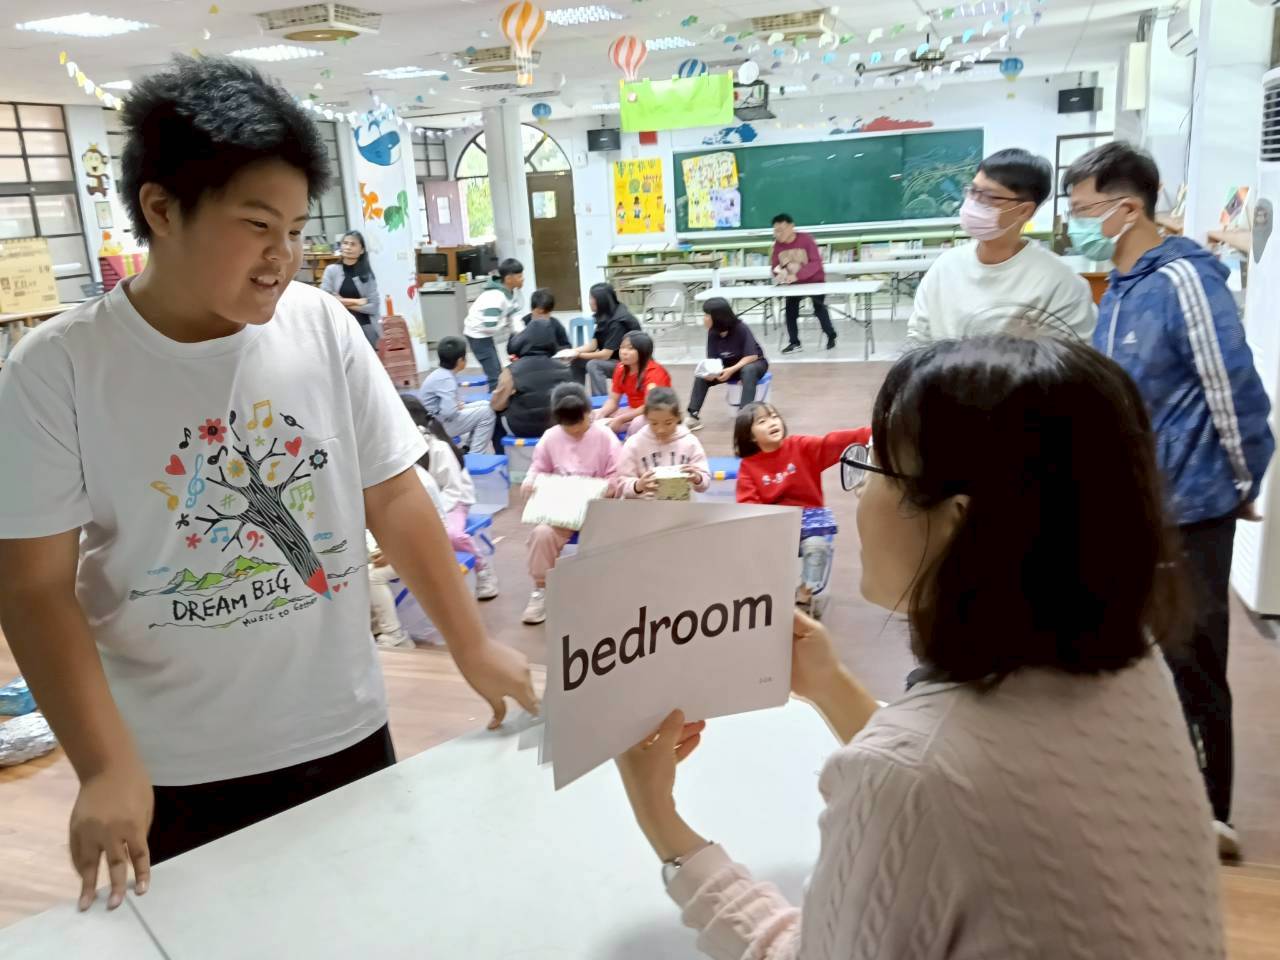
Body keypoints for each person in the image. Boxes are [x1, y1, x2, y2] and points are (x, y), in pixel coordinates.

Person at [0, 56, 537, 909]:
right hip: (170, 763)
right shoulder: (56, 370)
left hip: (344, 728)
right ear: (161, 209)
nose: (281, 257)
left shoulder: (318, 324)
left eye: (293, 229)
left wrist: (471, 644)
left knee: (371, 922)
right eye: (256, 225)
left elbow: (393, 492)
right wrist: (102, 765)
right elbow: (32, 588)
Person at [615, 335, 1224, 958]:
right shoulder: (1131, 659)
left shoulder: (907, 777)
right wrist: (830, 684)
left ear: (958, 520)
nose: (859, 492)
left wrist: (660, 819)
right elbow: (964, 791)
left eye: (874, 468)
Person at [1065, 141, 1275, 859]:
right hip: (1129, 503)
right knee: (1129, 654)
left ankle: (1210, 814)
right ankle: (1145, 795)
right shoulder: (1121, 286)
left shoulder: (1183, 279)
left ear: (1127, 208)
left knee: (1192, 656)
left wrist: (1242, 482)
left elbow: (1233, 389)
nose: (1076, 221)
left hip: (1190, 505)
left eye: (1084, 209)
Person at [908, 148, 1097, 345]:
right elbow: (918, 338)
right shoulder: (945, 266)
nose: (974, 202)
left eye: (989, 197)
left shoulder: (1059, 283)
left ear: (1024, 211)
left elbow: (1066, 359)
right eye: (973, 191)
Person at [734, 403, 870, 614]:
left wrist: (869, 433)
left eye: (774, 416)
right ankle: (769, 597)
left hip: (810, 523)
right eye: (762, 421)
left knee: (817, 547)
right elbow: (748, 505)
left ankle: (805, 596)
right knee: (753, 553)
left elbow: (832, 443)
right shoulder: (748, 466)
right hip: (774, 527)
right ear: (750, 436)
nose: (772, 422)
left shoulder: (801, 447)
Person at [521, 383, 622, 625]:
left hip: (597, 507)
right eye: (568, 427)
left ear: (588, 413)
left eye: (580, 424)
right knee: (542, 534)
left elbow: (618, 476)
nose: (575, 431)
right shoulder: (550, 437)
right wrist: (530, 481)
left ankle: (606, 589)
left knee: (613, 534)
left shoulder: (605, 437)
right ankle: (541, 589)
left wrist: (601, 489)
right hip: (562, 508)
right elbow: (538, 468)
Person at [400, 395, 500, 602]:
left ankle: (483, 569)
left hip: (454, 501)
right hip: (425, 503)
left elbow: (453, 490)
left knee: (450, 534)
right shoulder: (401, 450)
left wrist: (434, 513)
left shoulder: (438, 448)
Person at [685, 298, 768, 432]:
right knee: (701, 377)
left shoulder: (741, 328)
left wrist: (732, 370)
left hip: (753, 364)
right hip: (728, 368)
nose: (704, 318)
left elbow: (752, 356)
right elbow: (713, 361)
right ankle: (693, 416)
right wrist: (711, 373)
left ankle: (744, 417)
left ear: (717, 317)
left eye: (707, 315)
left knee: (748, 371)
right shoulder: (712, 333)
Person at [616, 387, 710, 500]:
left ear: (678, 417)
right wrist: (638, 486)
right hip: (644, 506)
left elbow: (705, 481)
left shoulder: (690, 442)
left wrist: (697, 478)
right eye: (654, 423)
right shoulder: (634, 444)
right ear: (646, 418)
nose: (661, 429)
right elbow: (622, 484)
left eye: (668, 423)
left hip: (681, 506)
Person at [491, 316, 574, 438]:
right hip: (556, 426)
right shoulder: (564, 369)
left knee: (494, 415)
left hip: (521, 428)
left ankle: (499, 449)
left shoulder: (511, 371)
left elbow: (497, 405)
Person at [418, 335, 497, 455]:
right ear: (460, 361)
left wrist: (454, 406)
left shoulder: (440, 374)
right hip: (437, 426)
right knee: (488, 412)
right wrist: (454, 406)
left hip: (435, 420)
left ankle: (467, 449)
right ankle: (476, 455)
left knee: (485, 404)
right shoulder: (446, 379)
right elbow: (449, 412)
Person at [771, 213, 836, 354]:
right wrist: (779, 274)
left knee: (819, 308)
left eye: (781, 230)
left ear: (792, 227)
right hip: (794, 285)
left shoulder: (806, 239)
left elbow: (816, 263)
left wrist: (797, 276)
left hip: (815, 281)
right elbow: (775, 266)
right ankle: (794, 343)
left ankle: (831, 335)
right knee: (790, 311)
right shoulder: (777, 245)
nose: (779, 234)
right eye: (776, 231)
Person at [594, 331, 671, 437]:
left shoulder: (655, 373)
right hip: (633, 410)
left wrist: (621, 419)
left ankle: (629, 444)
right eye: (622, 347)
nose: (624, 352)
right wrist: (601, 413)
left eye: (630, 348)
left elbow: (649, 406)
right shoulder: (621, 368)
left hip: (655, 413)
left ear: (643, 351)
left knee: (637, 423)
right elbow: (613, 400)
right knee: (592, 415)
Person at [464, 257, 525, 389]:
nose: (523, 279)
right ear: (509, 279)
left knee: (497, 368)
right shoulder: (496, 297)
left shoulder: (510, 293)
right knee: (494, 374)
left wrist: (522, 334)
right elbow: (489, 326)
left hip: (485, 334)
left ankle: (499, 393)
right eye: (519, 276)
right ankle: (496, 397)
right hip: (477, 335)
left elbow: (514, 315)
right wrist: (505, 323)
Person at [570, 282, 640, 395]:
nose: (589, 302)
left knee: (594, 365)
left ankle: (600, 401)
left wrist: (578, 354)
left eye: (592, 298)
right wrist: (572, 352)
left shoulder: (618, 322)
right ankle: (575, 398)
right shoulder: (606, 315)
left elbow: (605, 355)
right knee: (577, 361)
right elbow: (593, 345)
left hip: (628, 363)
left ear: (601, 301)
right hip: (614, 359)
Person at [320, 230, 381, 348]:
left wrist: (341, 302)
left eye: (353, 244)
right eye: (345, 243)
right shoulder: (331, 270)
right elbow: (325, 299)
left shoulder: (367, 275)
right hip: (339, 327)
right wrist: (357, 301)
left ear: (361, 250)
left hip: (365, 327)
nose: (348, 247)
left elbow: (374, 307)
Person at [509, 287, 570, 356]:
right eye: (539, 313)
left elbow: (567, 347)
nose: (542, 317)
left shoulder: (556, 325)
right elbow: (512, 348)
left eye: (546, 313)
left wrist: (554, 350)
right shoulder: (522, 324)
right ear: (532, 309)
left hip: (550, 360)